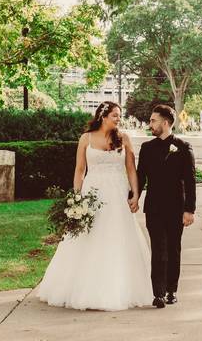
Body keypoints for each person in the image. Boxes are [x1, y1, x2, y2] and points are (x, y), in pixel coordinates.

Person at [37, 101, 153, 310]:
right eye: (115, 115)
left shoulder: (124, 138)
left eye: (120, 115)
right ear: (103, 116)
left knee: (117, 237)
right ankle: (80, 286)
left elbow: (131, 169)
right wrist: (76, 197)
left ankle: (118, 288)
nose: (119, 119)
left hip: (117, 195)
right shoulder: (86, 138)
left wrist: (135, 194)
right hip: (93, 194)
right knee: (88, 237)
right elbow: (80, 170)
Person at [136, 104, 197, 308]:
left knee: (173, 249)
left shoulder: (183, 147)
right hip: (153, 207)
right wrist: (133, 196)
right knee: (158, 250)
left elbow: (190, 181)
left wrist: (190, 210)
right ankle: (158, 293)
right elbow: (140, 177)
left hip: (176, 208)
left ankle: (172, 290)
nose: (150, 124)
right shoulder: (146, 148)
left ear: (166, 122)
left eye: (153, 120)